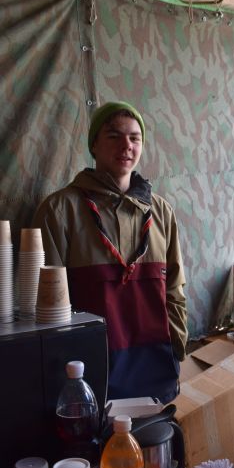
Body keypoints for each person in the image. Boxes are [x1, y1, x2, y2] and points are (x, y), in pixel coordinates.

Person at [33, 101, 188, 403]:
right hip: (88, 376)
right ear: (94, 145)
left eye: (134, 138)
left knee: (159, 435)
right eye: (114, 136)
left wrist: (177, 349)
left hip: (155, 371)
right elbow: (49, 309)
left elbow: (175, 290)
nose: (126, 145)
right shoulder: (59, 211)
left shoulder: (161, 212)